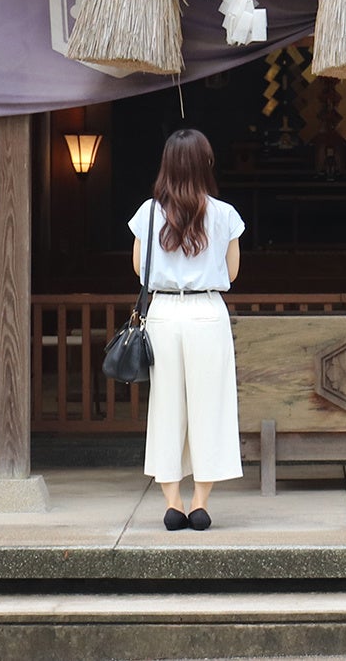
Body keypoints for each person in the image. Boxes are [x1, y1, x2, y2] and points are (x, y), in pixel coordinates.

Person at [129, 127, 245, 531]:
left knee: (166, 407)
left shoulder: (147, 213)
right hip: (207, 314)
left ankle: (172, 503)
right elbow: (231, 271)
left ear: (166, 166)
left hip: (163, 313)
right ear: (205, 163)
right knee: (208, 406)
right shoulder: (225, 214)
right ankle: (200, 503)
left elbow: (138, 269)